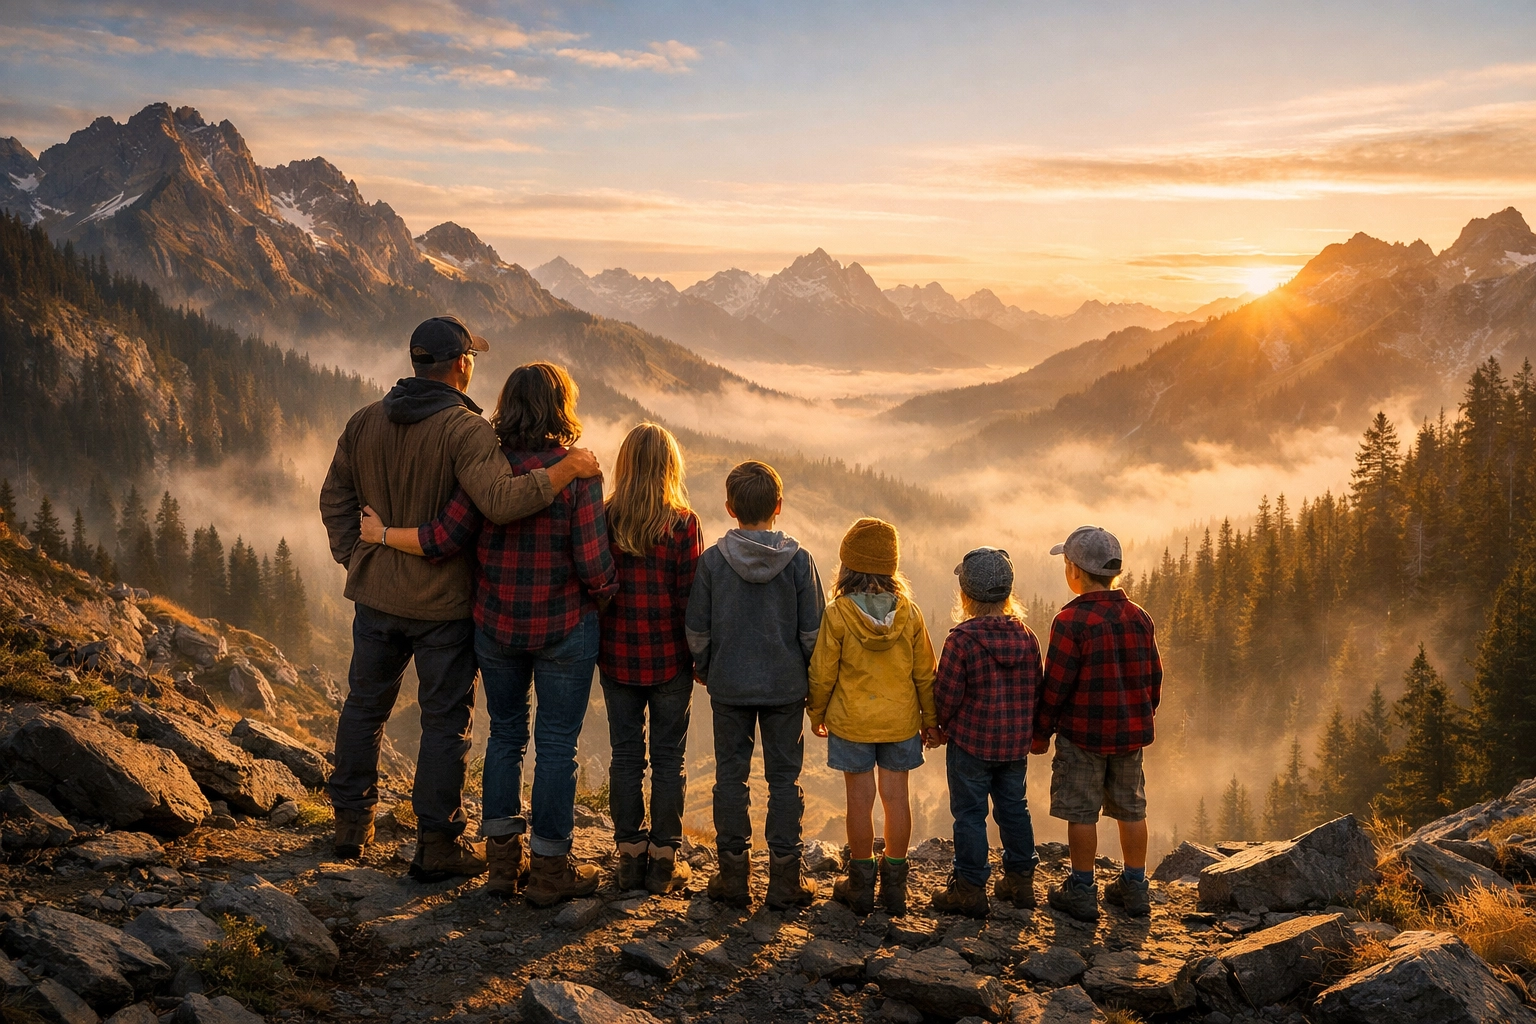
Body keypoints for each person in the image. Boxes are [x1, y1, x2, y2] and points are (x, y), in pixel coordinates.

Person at [319, 316, 600, 880]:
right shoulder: (464, 430)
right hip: (443, 606)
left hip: (375, 597)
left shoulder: (364, 421)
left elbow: (334, 496)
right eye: (472, 357)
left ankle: (351, 825)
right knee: (445, 723)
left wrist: (358, 556)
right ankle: (437, 844)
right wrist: (567, 468)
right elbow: (498, 501)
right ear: (461, 364)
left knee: (363, 707)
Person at [686, 460, 824, 908]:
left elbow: (698, 630)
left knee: (731, 778)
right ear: (778, 506)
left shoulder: (712, 563)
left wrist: (707, 667)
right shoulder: (799, 562)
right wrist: (808, 676)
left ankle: (733, 878)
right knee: (785, 780)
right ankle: (785, 881)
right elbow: (812, 634)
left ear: (729, 508)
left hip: (729, 685)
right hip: (785, 688)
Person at [806, 517, 938, 916]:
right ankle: (895, 885)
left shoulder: (838, 613)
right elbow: (924, 673)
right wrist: (929, 719)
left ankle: (860, 883)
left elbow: (823, 671)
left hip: (852, 723)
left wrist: (816, 712)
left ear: (847, 567)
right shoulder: (910, 614)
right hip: (900, 724)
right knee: (897, 800)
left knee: (858, 803)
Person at [1032, 525, 1162, 922]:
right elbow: (1153, 676)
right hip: (1129, 734)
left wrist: (1041, 733)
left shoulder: (1070, 621)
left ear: (1075, 571)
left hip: (1082, 736)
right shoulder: (1139, 616)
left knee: (1082, 814)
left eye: (1066, 564)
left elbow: (1055, 684)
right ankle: (1136, 886)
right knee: (1131, 809)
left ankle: (1082, 888)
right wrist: (1142, 712)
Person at [598, 423, 702, 895]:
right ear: (670, 467)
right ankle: (663, 861)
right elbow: (690, 601)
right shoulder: (684, 523)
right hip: (669, 660)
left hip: (617, 655)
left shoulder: (604, 518)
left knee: (625, 757)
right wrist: (699, 659)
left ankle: (628, 858)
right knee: (668, 759)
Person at [930, 547, 1043, 918]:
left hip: (970, 746)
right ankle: (1021, 881)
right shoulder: (1027, 637)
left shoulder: (960, 640)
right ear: (1008, 593)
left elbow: (946, 694)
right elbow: (1036, 689)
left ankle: (970, 888)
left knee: (970, 815)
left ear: (965, 595)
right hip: (1014, 746)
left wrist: (940, 726)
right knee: (1014, 809)